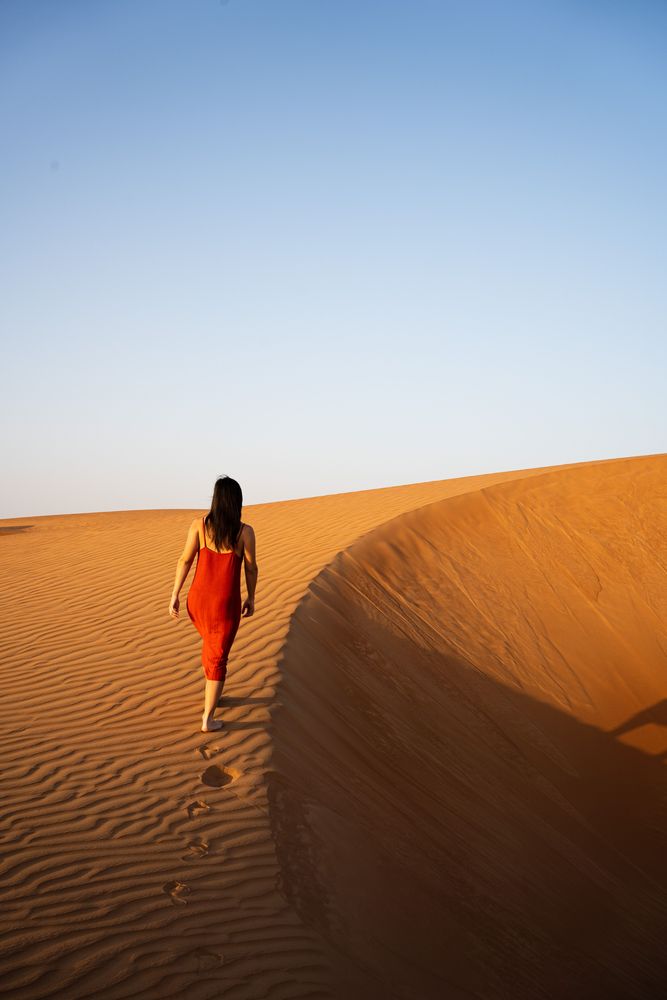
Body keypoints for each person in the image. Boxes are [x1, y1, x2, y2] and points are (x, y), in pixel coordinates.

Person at [169, 475, 258, 731]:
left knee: (212, 645)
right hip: (224, 605)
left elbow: (184, 561)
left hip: (197, 602)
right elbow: (250, 569)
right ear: (237, 502)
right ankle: (208, 719)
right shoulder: (244, 532)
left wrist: (175, 593)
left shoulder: (199, 525)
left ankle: (213, 690)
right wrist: (251, 597)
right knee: (218, 657)